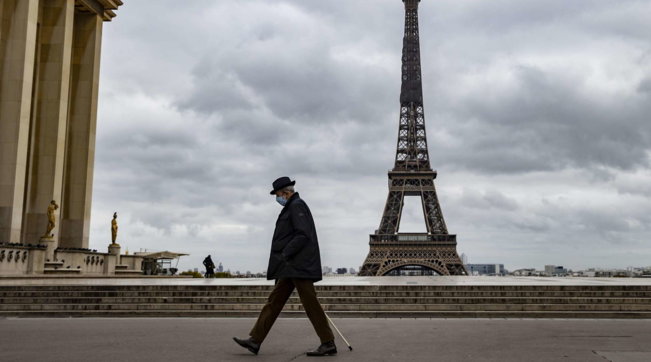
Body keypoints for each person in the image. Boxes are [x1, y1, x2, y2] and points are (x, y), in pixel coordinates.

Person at [233, 177, 336, 356]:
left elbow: (303, 234)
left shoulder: (297, 206)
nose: (277, 199)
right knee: (274, 302)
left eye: (278, 195)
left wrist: (285, 253)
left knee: (310, 304)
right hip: (290, 266)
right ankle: (255, 340)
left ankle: (328, 342)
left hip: (298, 266)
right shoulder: (293, 206)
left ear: (285, 193)